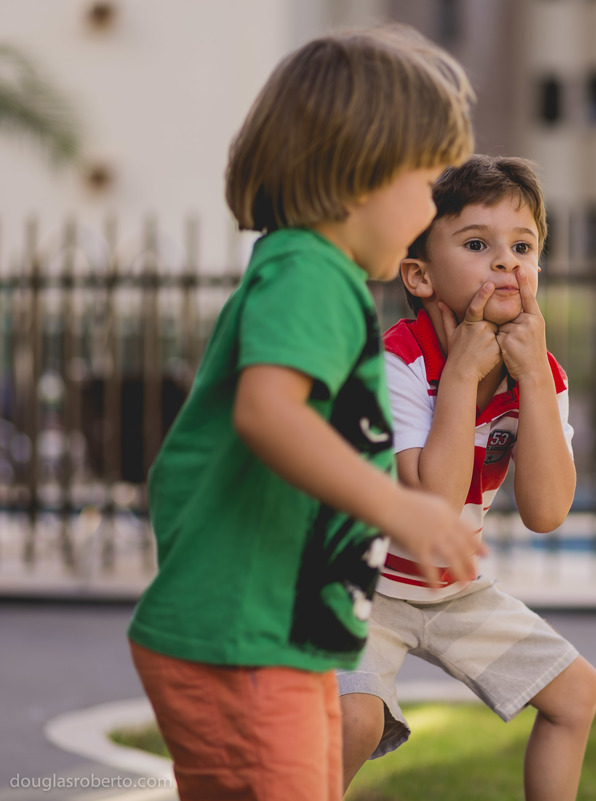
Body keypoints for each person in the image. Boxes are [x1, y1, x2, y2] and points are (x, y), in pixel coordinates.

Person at [126, 25, 484, 801]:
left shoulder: (307, 268)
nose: (431, 213)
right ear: (364, 171)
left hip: (268, 638)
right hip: (243, 641)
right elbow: (268, 412)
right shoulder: (313, 274)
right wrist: (398, 506)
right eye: (427, 185)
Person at [338, 155, 596, 801]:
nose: (507, 262)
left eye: (523, 246)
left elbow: (546, 509)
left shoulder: (540, 376)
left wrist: (535, 378)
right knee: (356, 717)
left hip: (453, 591)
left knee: (575, 694)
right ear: (421, 275)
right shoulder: (396, 361)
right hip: (363, 585)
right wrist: (458, 376)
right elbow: (432, 499)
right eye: (478, 244)